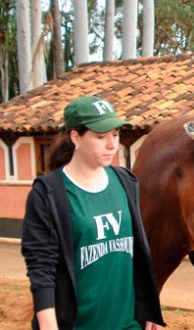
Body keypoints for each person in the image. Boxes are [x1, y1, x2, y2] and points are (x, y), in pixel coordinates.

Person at [21, 96, 165, 330]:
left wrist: (148, 307)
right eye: (100, 136)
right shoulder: (48, 194)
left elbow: (138, 251)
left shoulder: (126, 181)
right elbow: (41, 269)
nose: (112, 144)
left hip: (128, 324)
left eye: (115, 134)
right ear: (75, 137)